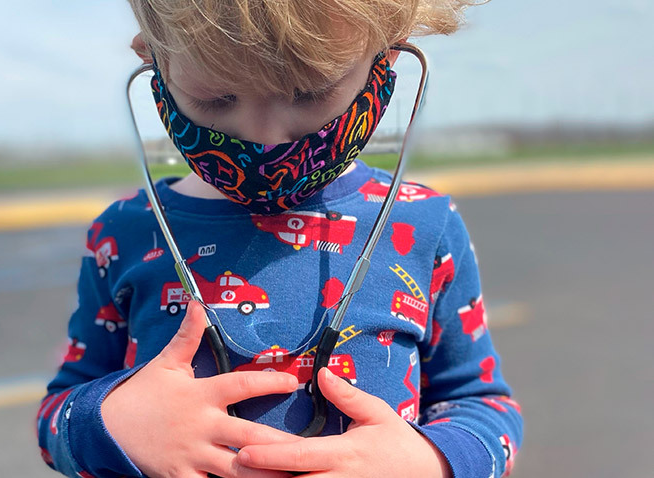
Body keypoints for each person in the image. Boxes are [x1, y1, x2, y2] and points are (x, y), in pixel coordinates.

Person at [36, 1, 523, 477]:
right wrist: (113, 423)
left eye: (309, 93)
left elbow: (481, 404)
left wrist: (428, 463)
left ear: (385, 59)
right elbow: (59, 411)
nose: (264, 139)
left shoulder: (425, 224)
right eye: (216, 98)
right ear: (156, 60)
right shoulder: (124, 232)